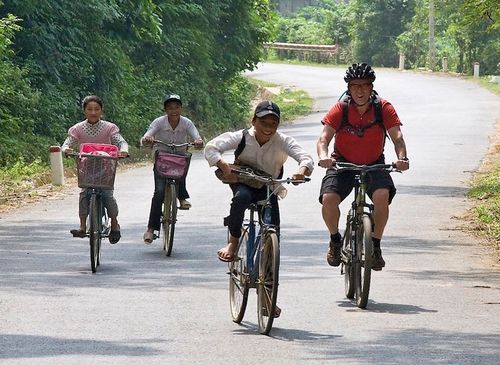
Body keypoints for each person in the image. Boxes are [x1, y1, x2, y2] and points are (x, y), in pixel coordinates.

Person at [317, 63, 409, 271]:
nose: (360, 90)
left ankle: (375, 245)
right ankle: (335, 240)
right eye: (355, 85)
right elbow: (324, 138)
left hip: (374, 164)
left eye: (365, 85)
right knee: (329, 199)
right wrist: (324, 157)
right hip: (342, 163)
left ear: (372, 87)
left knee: (381, 196)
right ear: (348, 88)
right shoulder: (340, 108)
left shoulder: (383, 107)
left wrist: (402, 158)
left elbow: (398, 138)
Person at [204, 100, 314, 263]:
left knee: (273, 229)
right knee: (241, 198)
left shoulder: (283, 141)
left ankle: (269, 271)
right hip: (243, 181)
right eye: (263, 122)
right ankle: (232, 244)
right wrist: (223, 165)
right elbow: (211, 147)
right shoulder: (242, 137)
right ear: (253, 121)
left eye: (273, 123)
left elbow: (305, 158)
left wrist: (301, 172)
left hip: (268, 186)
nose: (268, 128)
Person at [62, 95, 129, 244]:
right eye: (89, 109)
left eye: (96, 109)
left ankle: (114, 223)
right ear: (84, 111)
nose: (93, 112)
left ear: (101, 111)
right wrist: (66, 149)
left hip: (105, 169)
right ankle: (82, 226)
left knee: (107, 196)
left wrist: (123, 150)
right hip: (86, 169)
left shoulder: (109, 128)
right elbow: (67, 143)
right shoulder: (77, 128)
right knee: (84, 194)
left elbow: (120, 141)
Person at [141, 94, 204, 244]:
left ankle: (181, 196)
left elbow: (197, 136)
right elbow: (146, 137)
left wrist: (198, 141)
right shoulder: (159, 122)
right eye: (170, 108)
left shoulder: (187, 123)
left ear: (181, 108)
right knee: (159, 192)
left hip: (179, 158)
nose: (174, 111)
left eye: (176, 107)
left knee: (182, 166)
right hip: (162, 158)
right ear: (165, 110)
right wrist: (147, 139)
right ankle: (151, 229)